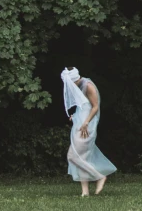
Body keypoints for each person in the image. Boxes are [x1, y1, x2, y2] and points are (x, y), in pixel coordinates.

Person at [61, 66, 117, 196]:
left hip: (87, 126)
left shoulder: (88, 85)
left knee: (73, 156)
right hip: (79, 124)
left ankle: (99, 176)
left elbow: (95, 106)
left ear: (74, 80)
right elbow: (83, 106)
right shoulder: (78, 86)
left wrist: (86, 122)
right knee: (81, 157)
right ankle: (85, 192)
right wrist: (75, 116)